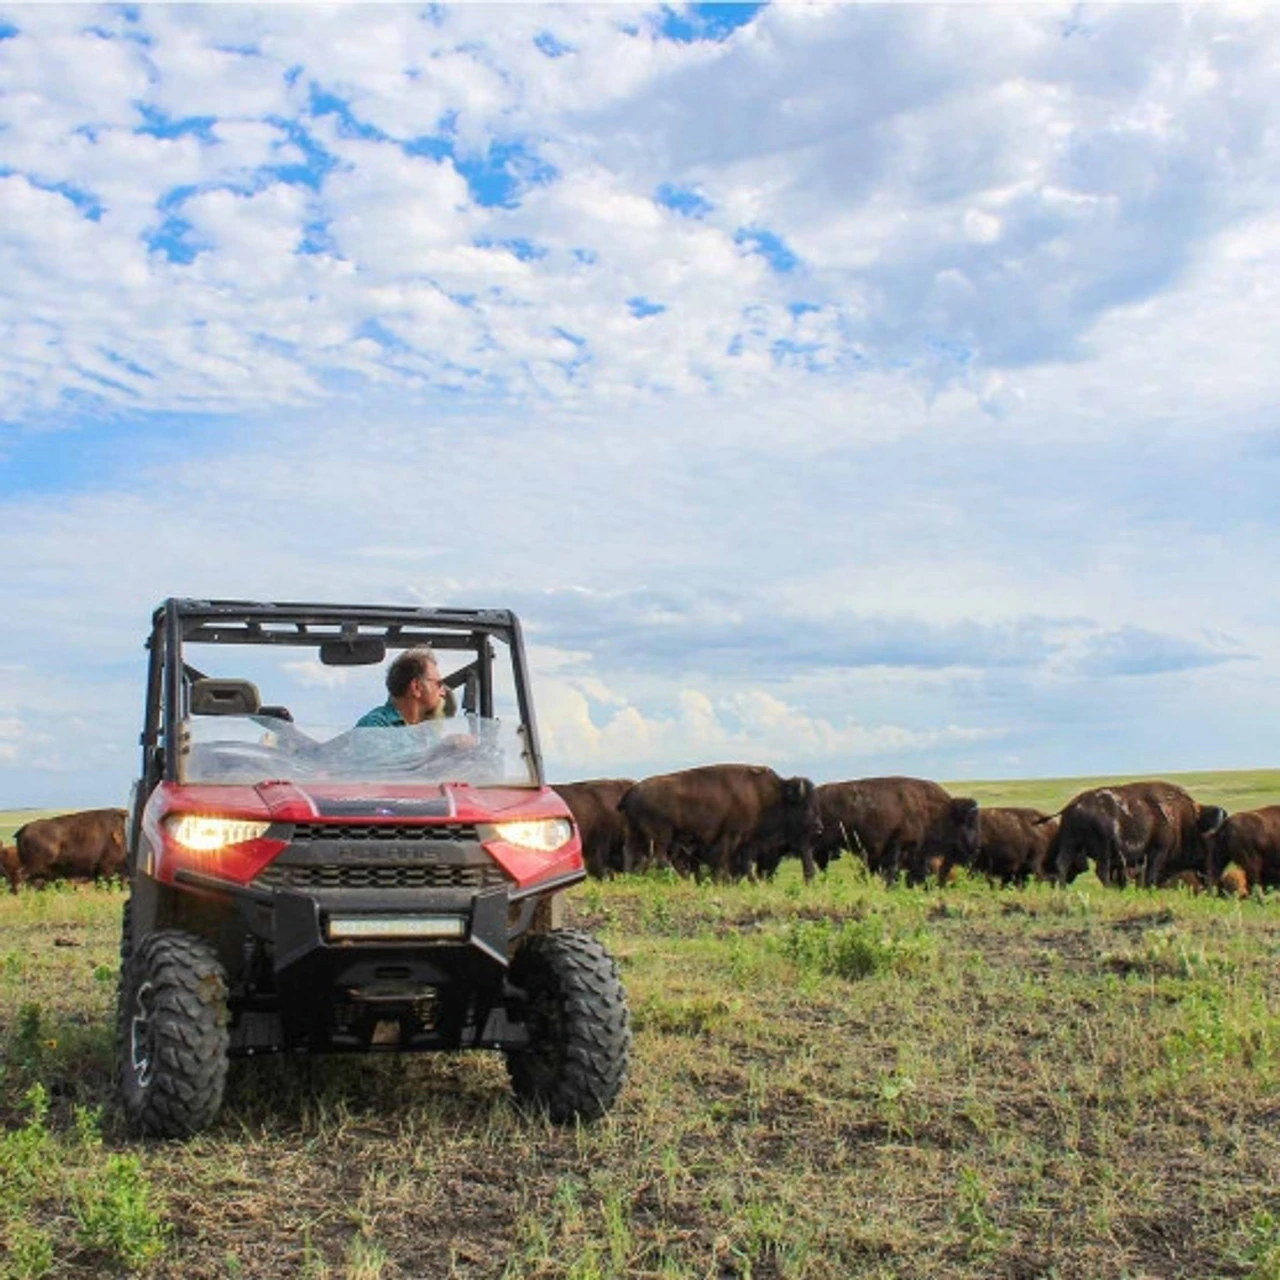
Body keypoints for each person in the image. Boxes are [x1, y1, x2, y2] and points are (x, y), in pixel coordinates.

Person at [357, 647, 457, 728]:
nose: (443, 692)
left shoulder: (426, 732)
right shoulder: (375, 726)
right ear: (416, 687)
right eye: (438, 684)